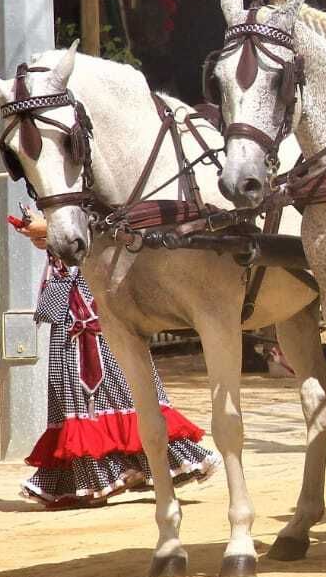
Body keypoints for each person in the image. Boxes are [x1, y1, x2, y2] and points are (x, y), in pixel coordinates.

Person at [13, 212, 217, 507]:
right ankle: (105, 476)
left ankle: (157, 464)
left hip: (96, 290)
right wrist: (44, 236)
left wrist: (49, 228)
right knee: (74, 385)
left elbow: (100, 221)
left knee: (120, 377)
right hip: (71, 297)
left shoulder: (84, 178)